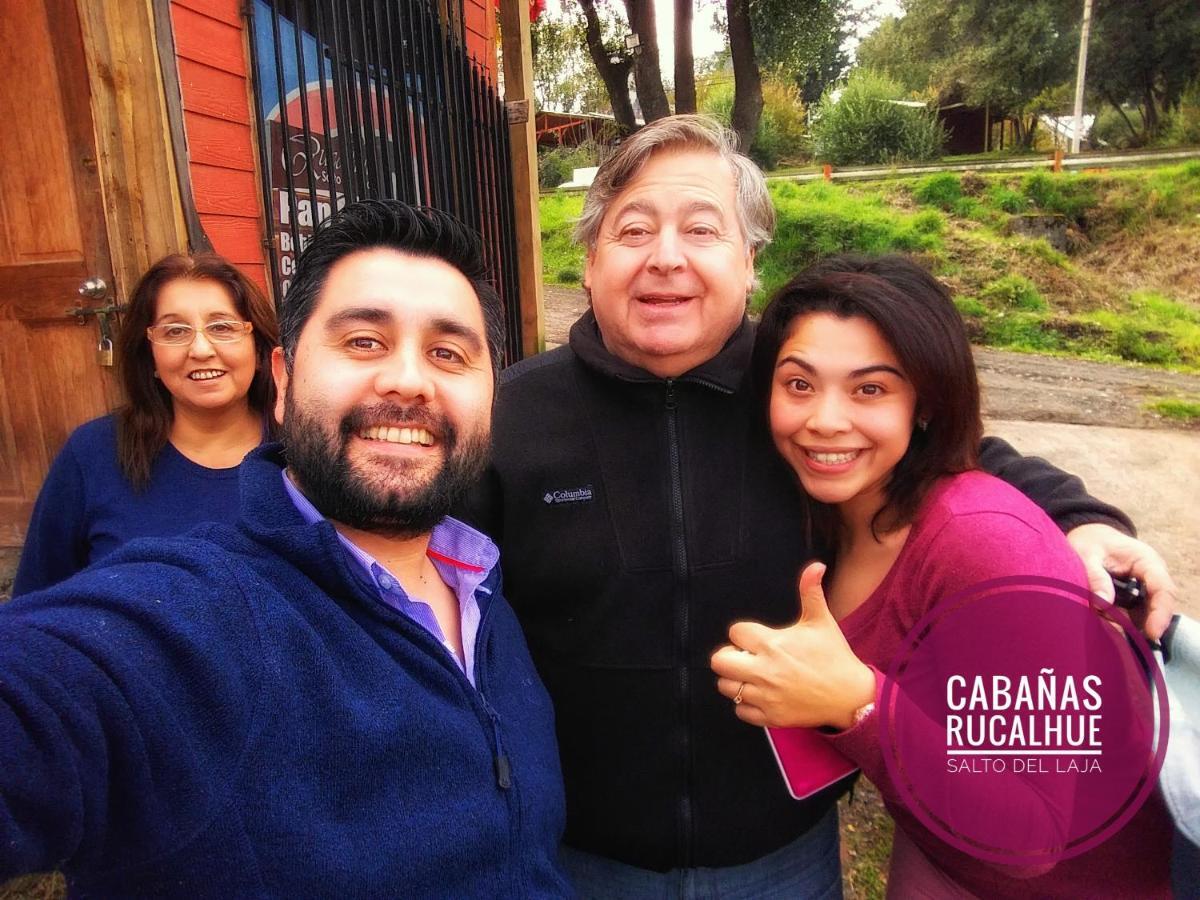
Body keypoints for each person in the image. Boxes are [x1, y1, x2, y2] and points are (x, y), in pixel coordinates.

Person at [468, 114, 1179, 896]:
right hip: (581, 858)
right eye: (633, 229)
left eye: (702, 229)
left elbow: (944, 448)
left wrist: (1081, 519)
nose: (665, 257)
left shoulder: (795, 393)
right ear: (592, 256)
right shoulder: (508, 417)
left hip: (784, 856)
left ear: (749, 262)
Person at [0, 201, 570, 898]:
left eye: (449, 353)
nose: (409, 380)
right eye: (363, 341)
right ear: (285, 376)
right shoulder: (202, 619)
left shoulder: (483, 595)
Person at [710, 253, 1173, 897]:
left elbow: (1032, 835)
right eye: (799, 384)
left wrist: (858, 706)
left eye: (870, 388)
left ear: (923, 403)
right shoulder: (833, 509)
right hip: (942, 856)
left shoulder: (984, 548)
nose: (824, 419)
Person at [13, 253, 277, 596]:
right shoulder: (94, 453)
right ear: (149, 356)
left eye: (222, 327)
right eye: (175, 331)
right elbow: (36, 601)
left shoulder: (304, 452)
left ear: (258, 350)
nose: (200, 348)